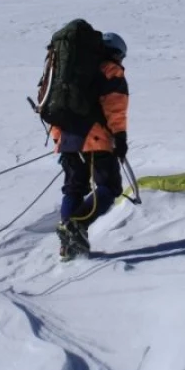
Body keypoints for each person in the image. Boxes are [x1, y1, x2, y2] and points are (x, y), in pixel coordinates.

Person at [49, 31, 129, 260]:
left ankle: (68, 245)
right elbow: (115, 106)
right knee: (110, 186)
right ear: (115, 52)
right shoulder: (109, 69)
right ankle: (76, 225)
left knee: (74, 188)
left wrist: (59, 138)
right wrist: (120, 137)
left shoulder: (69, 70)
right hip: (95, 138)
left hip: (65, 137)